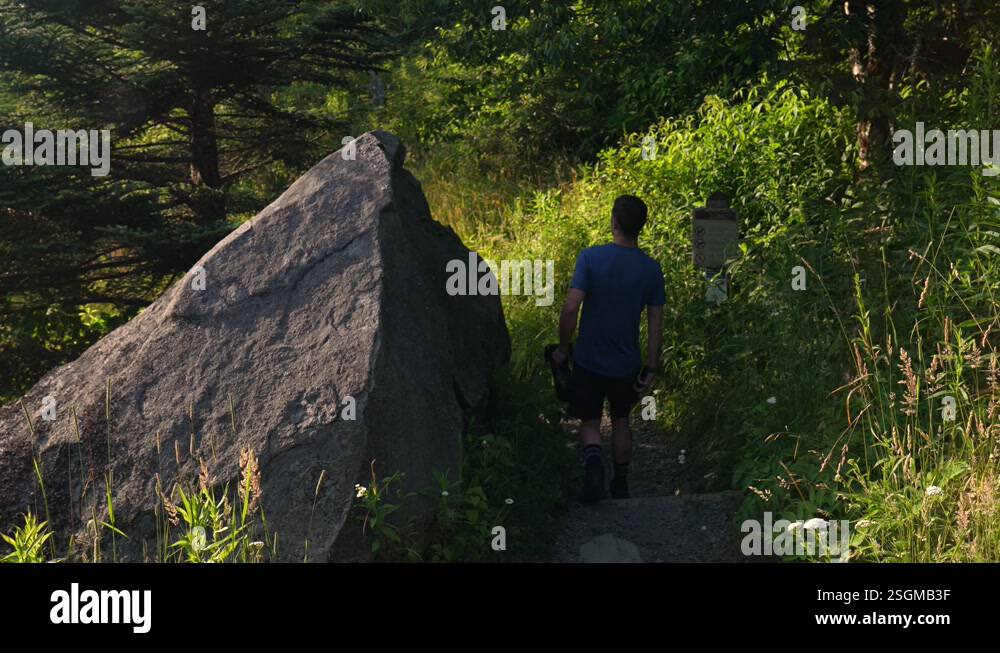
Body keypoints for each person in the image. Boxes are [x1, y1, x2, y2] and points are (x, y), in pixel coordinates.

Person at [551, 195, 665, 503]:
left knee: (589, 419)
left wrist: (563, 347)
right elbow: (655, 326)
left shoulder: (590, 258)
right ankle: (621, 483)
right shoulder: (652, 270)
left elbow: (571, 307)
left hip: (588, 360)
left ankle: (592, 465)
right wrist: (651, 368)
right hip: (627, 364)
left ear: (614, 221)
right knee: (621, 420)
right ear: (641, 226)